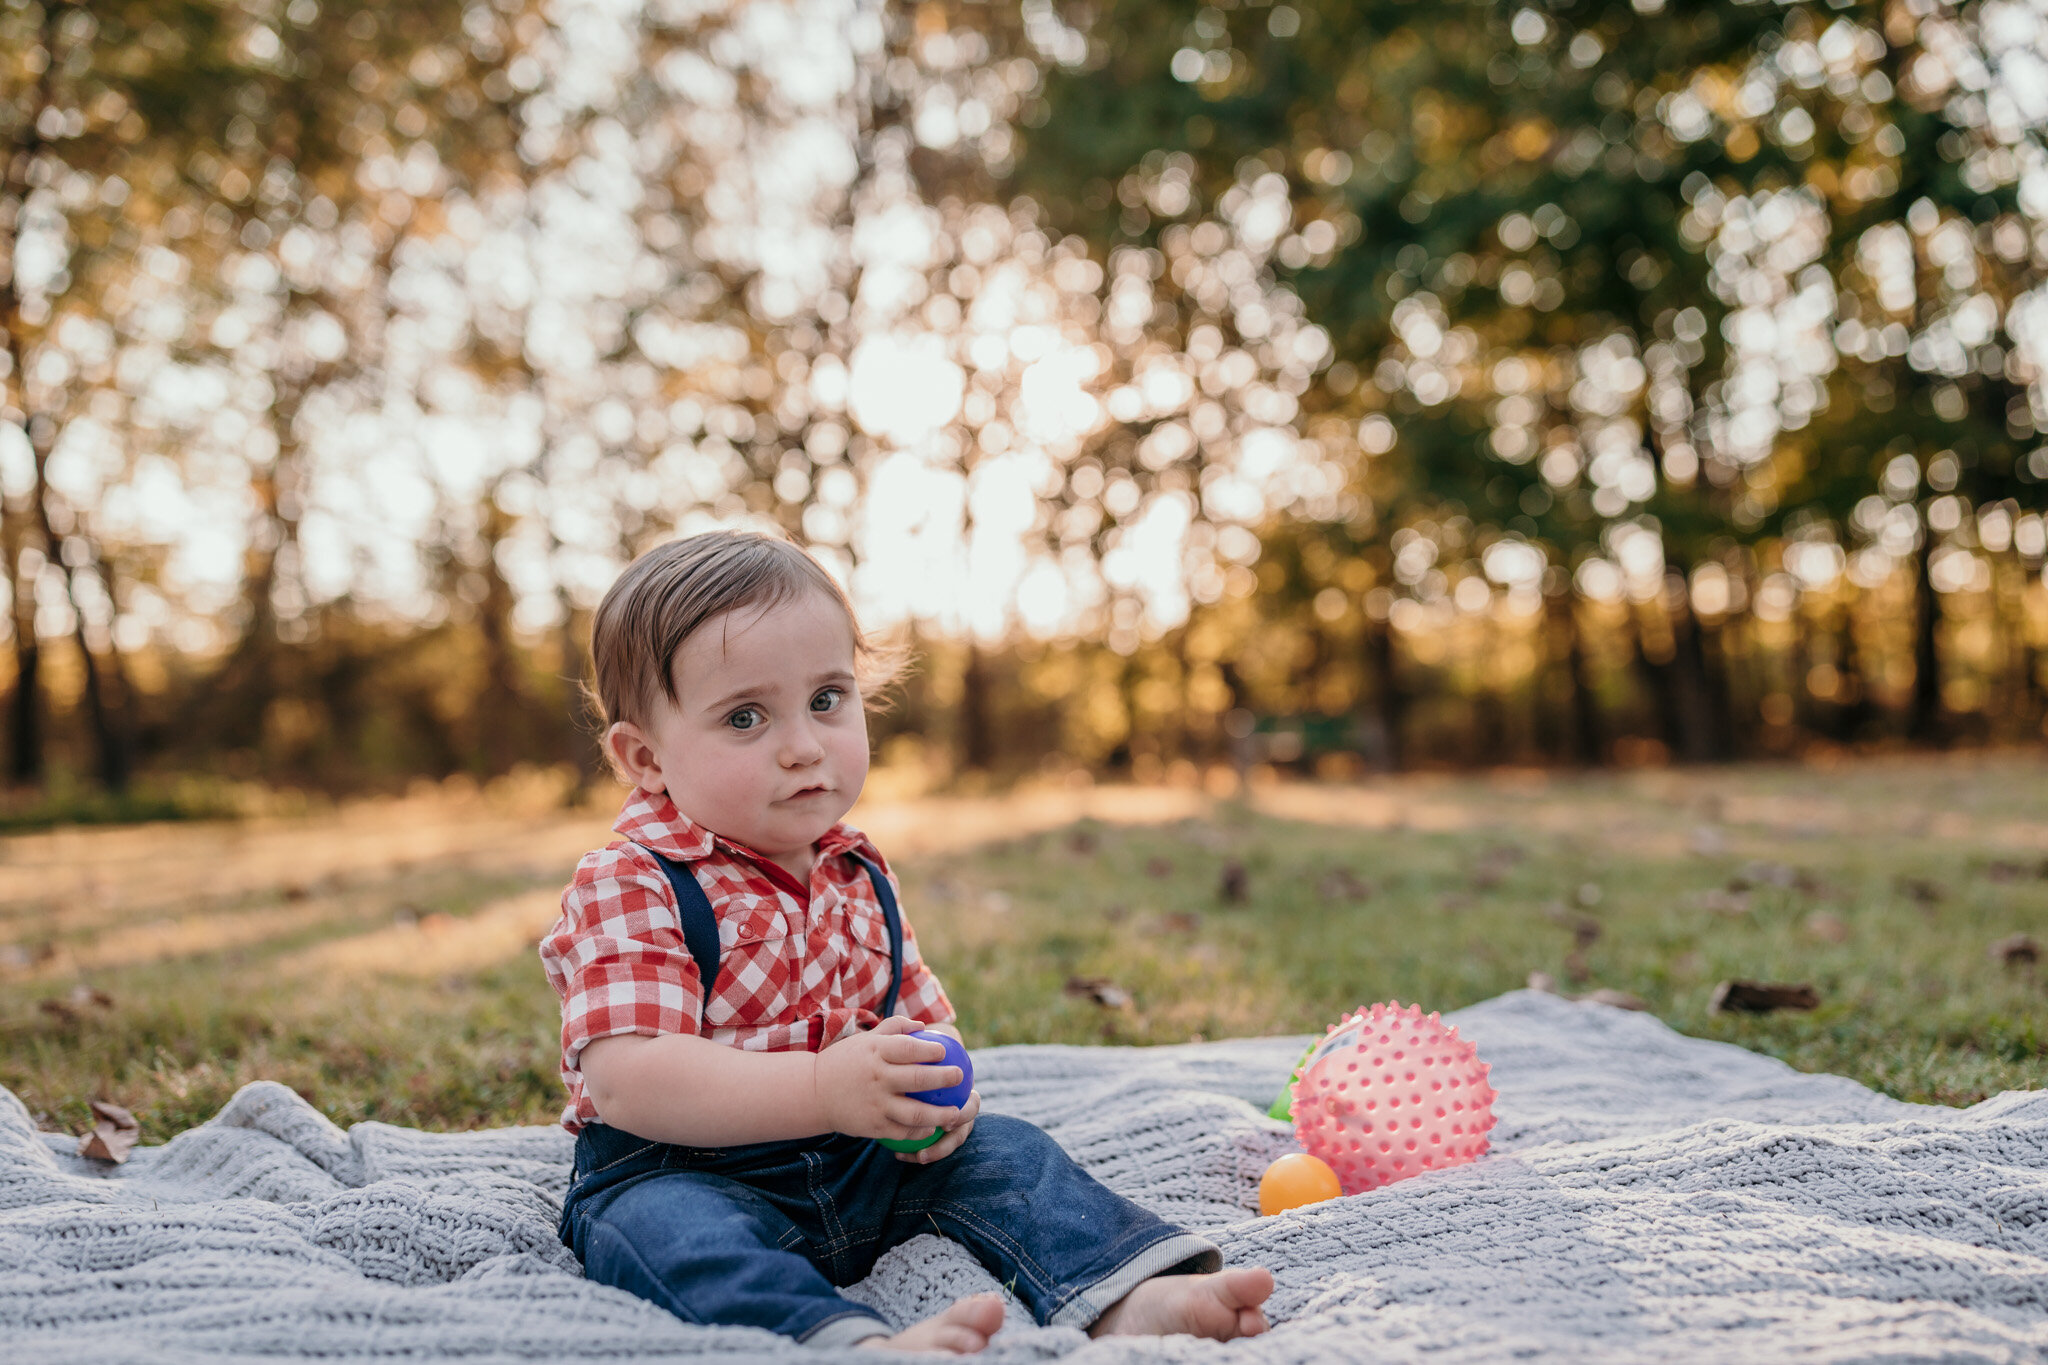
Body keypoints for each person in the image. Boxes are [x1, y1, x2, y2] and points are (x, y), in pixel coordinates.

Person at [541, 529, 1274, 1353]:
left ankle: (1126, 1291)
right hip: (687, 1169)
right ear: (646, 757)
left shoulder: (857, 869)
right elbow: (632, 1079)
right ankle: (841, 1338)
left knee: (1010, 1152)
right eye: (746, 717)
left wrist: (937, 1093)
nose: (804, 745)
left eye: (827, 699)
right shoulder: (633, 882)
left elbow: (923, 1020)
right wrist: (822, 1086)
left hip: (861, 1162)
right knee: (669, 1235)